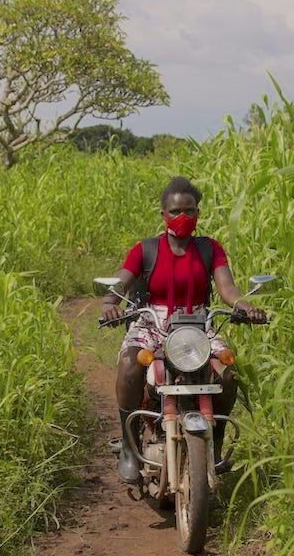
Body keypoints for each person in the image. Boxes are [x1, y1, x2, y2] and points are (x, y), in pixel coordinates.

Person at [101, 176, 266, 484]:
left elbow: (227, 287)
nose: (183, 218)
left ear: (198, 213)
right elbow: (121, 281)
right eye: (176, 212)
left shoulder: (209, 249)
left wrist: (245, 307)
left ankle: (214, 445)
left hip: (197, 324)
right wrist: (111, 302)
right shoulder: (145, 250)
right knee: (129, 363)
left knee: (228, 372)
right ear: (163, 214)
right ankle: (129, 444)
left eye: (189, 211)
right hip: (151, 322)